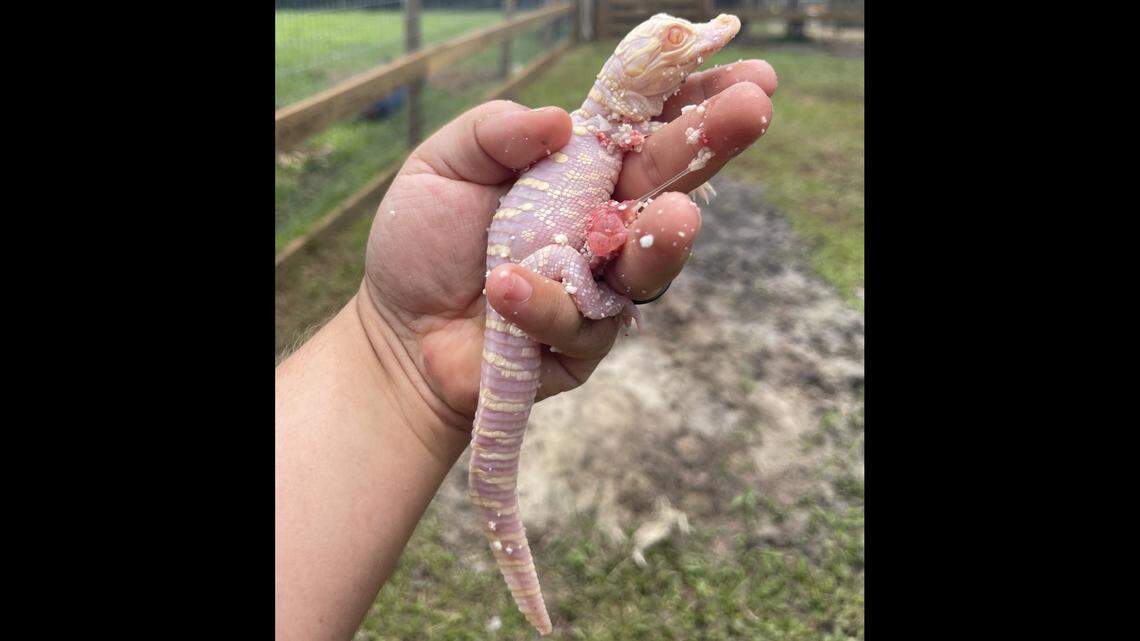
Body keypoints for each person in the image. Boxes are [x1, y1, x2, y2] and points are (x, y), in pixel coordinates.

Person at [276, 59, 777, 641]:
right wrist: (602, 299)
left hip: (526, 270)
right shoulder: (587, 129)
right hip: (535, 267)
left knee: (498, 463)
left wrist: (393, 360)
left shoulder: (609, 132)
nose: (699, 44)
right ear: (626, 73)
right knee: (584, 288)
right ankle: (598, 298)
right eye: (675, 42)